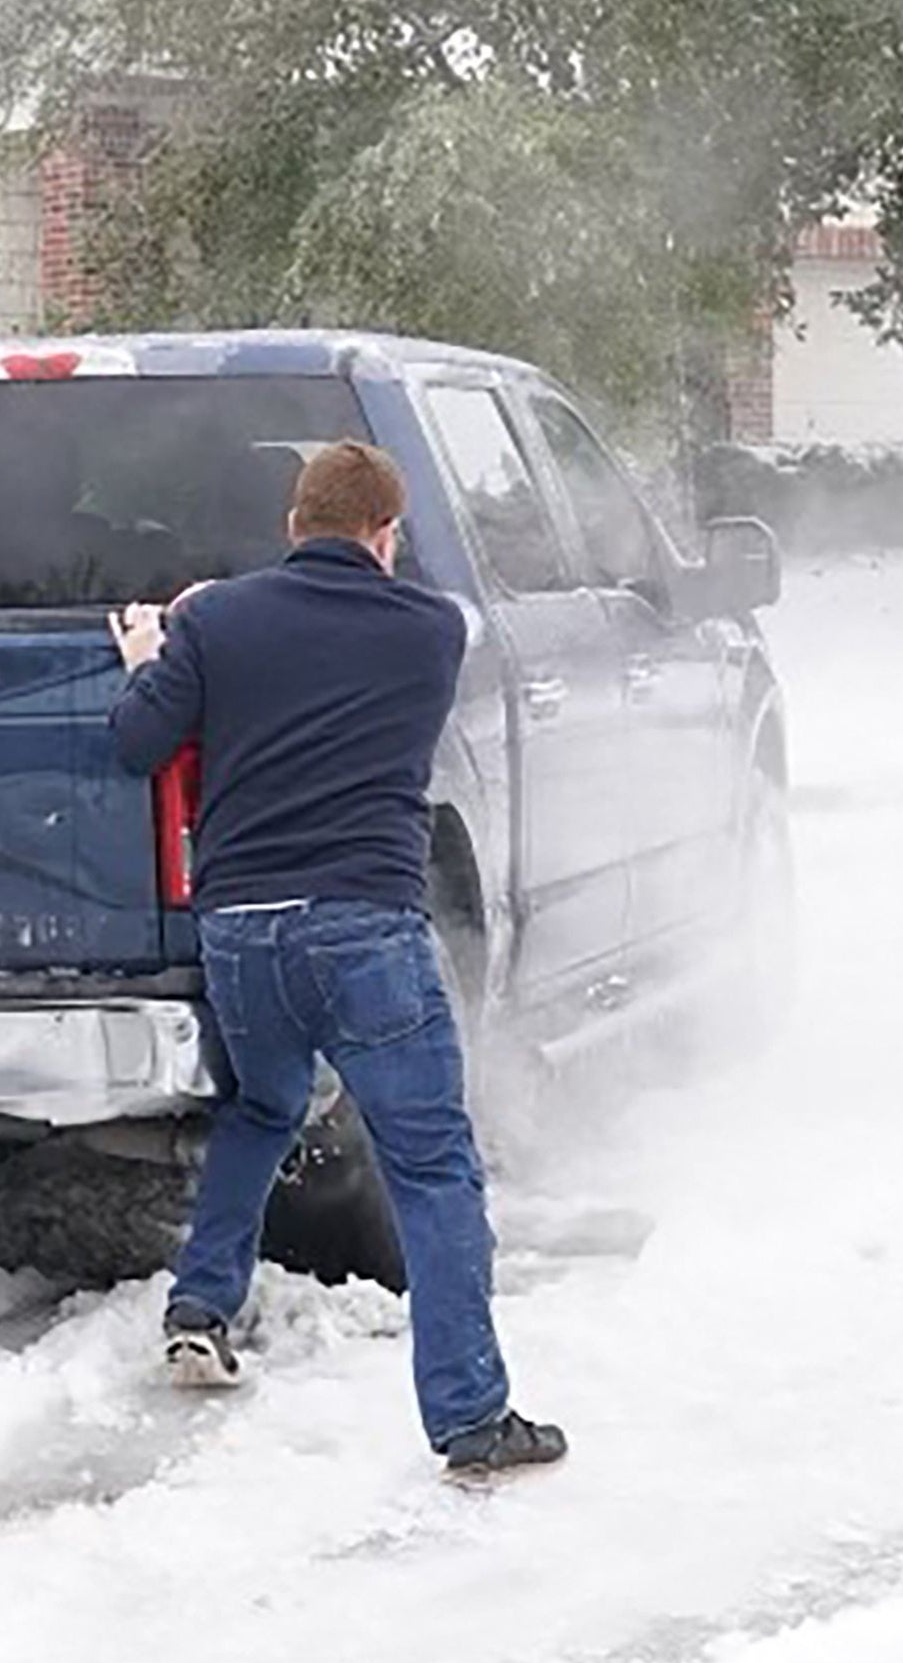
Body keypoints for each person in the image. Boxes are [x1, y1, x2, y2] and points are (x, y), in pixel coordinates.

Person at [107, 440, 565, 1477]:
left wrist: (151, 654)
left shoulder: (215, 623)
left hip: (242, 932)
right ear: (386, 535)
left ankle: (200, 1307)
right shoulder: (428, 630)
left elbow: (136, 742)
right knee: (434, 1168)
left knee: (261, 1111)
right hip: (365, 928)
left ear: (289, 525)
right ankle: (470, 1418)